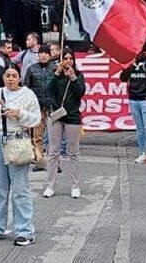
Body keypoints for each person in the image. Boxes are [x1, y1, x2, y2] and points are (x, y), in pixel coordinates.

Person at [0, 64, 41, 246]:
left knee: (20, 189)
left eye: (14, 75)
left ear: (19, 78)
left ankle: (24, 230)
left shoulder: (28, 95)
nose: (11, 79)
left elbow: (36, 119)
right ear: (3, 77)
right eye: (8, 76)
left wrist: (19, 114)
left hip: (17, 141)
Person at [44, 49, 86, 199]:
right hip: (56, 116)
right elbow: (48, 89)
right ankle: (50, 186)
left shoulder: (79, 75)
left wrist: (73, 78)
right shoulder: (54, 74)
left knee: (73, 152)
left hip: (72, 117)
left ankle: (75, 186)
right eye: (65, 58)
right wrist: (57, 73)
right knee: (53, 152)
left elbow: (80, 92)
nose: (68, 61)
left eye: (71, 58)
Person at [121, 51, 146, 166]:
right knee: (140, 128)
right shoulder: (129, 61)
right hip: (133, 98)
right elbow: (123, 78)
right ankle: (142, 152)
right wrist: (129, 65)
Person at [22, 43, 53, 170]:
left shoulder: (55, 68)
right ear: (38, 55)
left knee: (53, 136)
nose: (44, 55)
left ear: (50, 55)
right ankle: (39, 160)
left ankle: (54, 162)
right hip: (37, 108)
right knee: (37, 136)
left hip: (52, 108)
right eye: (41, 53)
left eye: (46, 53)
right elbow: (26, 88)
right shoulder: (32, 69)